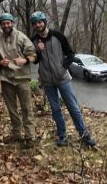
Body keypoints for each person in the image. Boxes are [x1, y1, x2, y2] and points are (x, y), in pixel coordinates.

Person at [30, 11, 96, 147]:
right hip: (47, 80)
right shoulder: (34, 41)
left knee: (73, 108)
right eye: (35, 23)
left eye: (40, 22)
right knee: (55, 109)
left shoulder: (57, 36)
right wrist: (38, 51)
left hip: (63, 79)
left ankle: (84, 134)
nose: (38, 25)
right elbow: (35, 61)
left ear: (44, 22)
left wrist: (62, 68)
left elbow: (71, 54)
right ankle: (62, 136)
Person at [0, 13, 37, 147]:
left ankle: (30, 136)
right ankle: (16, 133)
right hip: (6, 79)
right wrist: (0, 63)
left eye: (8, 23)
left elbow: (33, 55)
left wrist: (25, 60)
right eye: (3, 23)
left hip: (22, 77)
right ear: (0, 25)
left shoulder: (22, 37)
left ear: (13, 23)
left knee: (26, 108)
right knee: (12, 109)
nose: (6, 25)